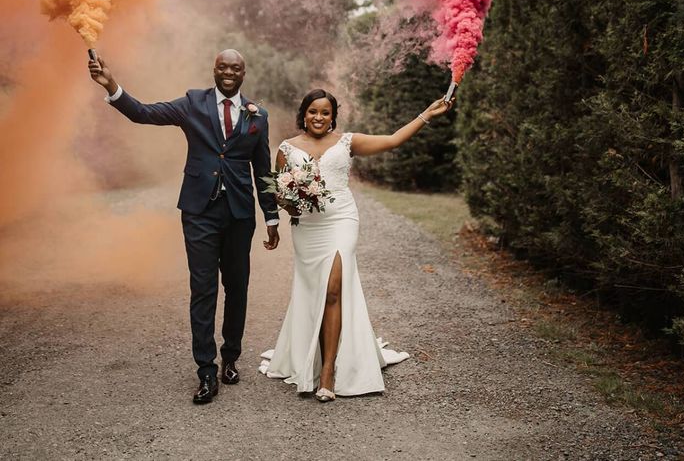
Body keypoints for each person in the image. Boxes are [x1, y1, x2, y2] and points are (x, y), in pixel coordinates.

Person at [88, 49, 279, 404]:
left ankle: (231, 358)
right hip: (199, 212)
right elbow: (144, 113)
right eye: (223, 66)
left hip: (239, 215)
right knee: (203, 289)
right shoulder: (193, 103)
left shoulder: (258, 116)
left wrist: (271, 217)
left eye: (235, 68)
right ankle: (206, 371)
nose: (228, 72)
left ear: (244, 73)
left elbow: (263, 170)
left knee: (237, 287)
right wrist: (111, 84)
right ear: (214, 69)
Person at [260, 88, 453, 401]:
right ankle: (312, 356)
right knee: (315, 292)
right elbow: (280, 192)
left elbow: (392, 140)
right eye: (313, 111)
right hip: (308, 228)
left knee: (334, 287)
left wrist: (426, 116)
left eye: (325, 112)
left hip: (341, 221)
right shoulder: (287, 148)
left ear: (333, 116)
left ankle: (328, 374)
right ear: (304, 114)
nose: (318, 117)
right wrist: (289, 204)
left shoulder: (347, 142)